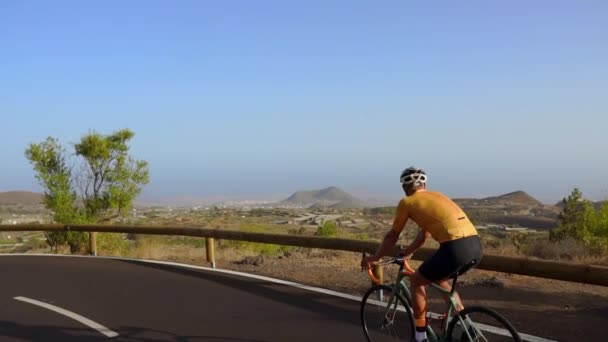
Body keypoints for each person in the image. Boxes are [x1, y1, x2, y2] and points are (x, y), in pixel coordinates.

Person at [361, 167, 482, 342]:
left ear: (404, 187)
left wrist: (375, 257)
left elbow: (392, 235)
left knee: (417, 280)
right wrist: (408, 252)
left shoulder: (408, 202)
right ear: (424, 183)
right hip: (475, 246)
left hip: (454, 248)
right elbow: (424, 235)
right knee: (441, 280)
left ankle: (420, 337)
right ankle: (469, 327)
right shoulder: (437, 196)